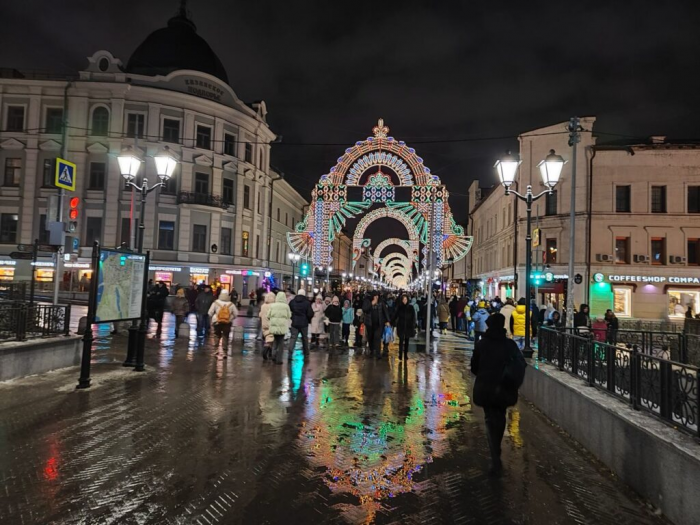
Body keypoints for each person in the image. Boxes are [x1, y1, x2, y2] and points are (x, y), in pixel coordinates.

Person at [471, 313, 526, 475]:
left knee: (489, 418)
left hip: (486, 388)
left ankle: (494, 453)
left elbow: (474, 367)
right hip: (504, 389)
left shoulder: (482, 344)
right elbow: (521, 364)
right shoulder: (510, 345)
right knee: (500, 417)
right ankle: (497, 448)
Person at [208, 290, 238, 355]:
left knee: (216, 335)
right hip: (227, 322)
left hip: (217, 322)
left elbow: (210, 312)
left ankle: (216, 350)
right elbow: (236, 314)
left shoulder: (216, 302)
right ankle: (224, 351)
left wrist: (214, 317)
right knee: (225, 336)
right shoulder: (231, 304)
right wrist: (230, 318)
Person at [363, 292, 391, 359]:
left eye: (377, 296)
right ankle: (372, 351)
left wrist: (388, 321)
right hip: (370, 323)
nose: (376, 297)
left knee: (377, 338)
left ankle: (378, 353)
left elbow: (385, 311)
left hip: (379, 324)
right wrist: (371, 303)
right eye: (375, 296)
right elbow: (365, 309)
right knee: (371, 337)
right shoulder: (367, 301)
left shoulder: (381, 302)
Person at [288, 288, 314, 360]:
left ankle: (290, 353)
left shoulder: (292, 302)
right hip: (304, 323)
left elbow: (289, 310)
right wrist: (308, 320)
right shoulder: (307, 302)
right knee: (305, 338)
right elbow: (310, 313)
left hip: (295, 322)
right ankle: (306, 352)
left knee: (293, 338)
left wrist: (292, 317)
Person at [267, 291, 292, 364]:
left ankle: (273, 356)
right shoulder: (286, 306)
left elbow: (268, 315)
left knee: (275, 341)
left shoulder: (273, 305)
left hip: (274, 326)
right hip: (282, 327)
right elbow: (289, 316)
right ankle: (279, 359)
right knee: (281, 343)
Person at [393, 294, 416, 361]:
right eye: (403, 299)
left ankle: (405, 354)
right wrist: (391, 322)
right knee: (401, 341)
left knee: (407, 341)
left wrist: (413, 325)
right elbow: (395, 315)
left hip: (408, 327)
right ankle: (400, 354)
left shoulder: (411, 308)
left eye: (405, 299)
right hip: (401, 326)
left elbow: (413, 317)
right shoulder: (399, 307)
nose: (404, 301)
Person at [259, 292, 276, 360]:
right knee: (271, 339)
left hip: (264, 324)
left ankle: (269, 352)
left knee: (268, 337)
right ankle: (266, 351)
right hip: (271, 324)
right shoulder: (274, 305)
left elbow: (260, 315)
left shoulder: (263, 306)